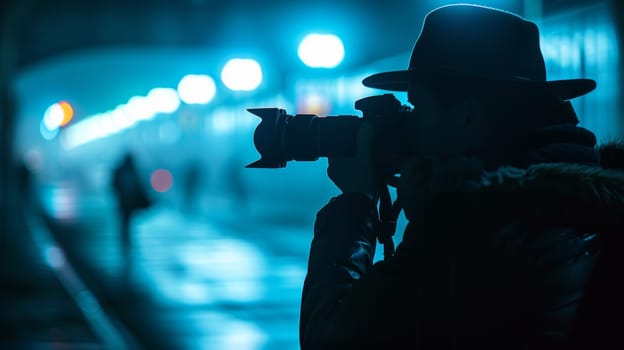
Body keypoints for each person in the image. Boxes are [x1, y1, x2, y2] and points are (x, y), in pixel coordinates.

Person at [299, 4, 623, 349]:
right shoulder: (581, 203)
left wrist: (355, 203)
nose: (409, 123)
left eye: (418, 108)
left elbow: (331, 338)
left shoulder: (474, 225)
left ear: (466, 117)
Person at [111, 152, 152, 255]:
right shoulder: (132, 170)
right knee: (127, 222)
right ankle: (127, 241)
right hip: (128, 202)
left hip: (122, 202)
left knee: (124, 222)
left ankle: (125, 242)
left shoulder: (120, 171)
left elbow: (114, 185)